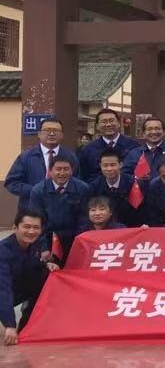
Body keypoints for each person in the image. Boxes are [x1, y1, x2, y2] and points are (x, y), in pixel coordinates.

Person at [1, 210, 58, 342]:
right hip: (3, 290)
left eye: (36, 227)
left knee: (45, 276)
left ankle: (27, 326)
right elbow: (3, 289)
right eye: (26, 227)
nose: (31, 231)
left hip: (14, 290)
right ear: (15, 227)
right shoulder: (3, 251)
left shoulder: (33, 246)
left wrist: (47, 265)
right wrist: (10, 325)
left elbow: (31, 266)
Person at [5, 117, 80, 210]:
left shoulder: (70, 157)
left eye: (56, 130)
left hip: (62, 209)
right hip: (31, 210)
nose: (51, 134)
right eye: (47, 130)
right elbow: (12, 183)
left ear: (62, 135)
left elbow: (78, 183)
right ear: (39, 134)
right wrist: (36, 191)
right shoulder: (26, 157)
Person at [28, 156, 90, 255]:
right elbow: (36, 221)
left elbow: (84, 220)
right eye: (58, 169)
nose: (62, 173)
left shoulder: (83, 189)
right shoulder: (38, 191)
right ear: (50, 171)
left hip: (75, 239)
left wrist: (79, 243)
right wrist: (43, 247)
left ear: (72, 171)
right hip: (48, 240)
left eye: (66, 169)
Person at [78, 108, 139, 183]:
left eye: (111, 121)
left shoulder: (133, 146)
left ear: (119, 123)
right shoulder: (87, 150)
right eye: (104, 121)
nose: (108, 124)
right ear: (97, 126)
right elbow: (83, 177)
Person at [122, 117, 165, 185]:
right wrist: (136, 178)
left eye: (157, 128)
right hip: (141, 190)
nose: (154, 132)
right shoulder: (134, 154)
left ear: (164, 131)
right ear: (143, 133)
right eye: (149, 129)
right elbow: (124, 176)